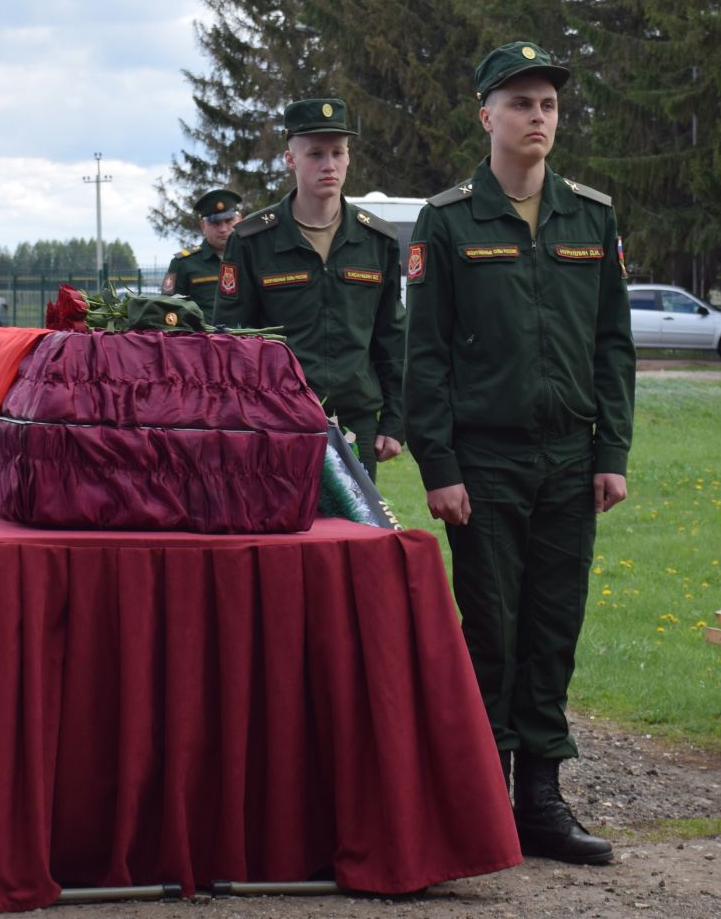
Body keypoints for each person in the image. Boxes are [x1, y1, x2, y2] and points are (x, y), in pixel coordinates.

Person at [404, 42, 635, 866]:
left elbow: (613, 344)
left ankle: (540, 797)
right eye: (522, 104)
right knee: (492, 632)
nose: (539, 118)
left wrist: (612, 450)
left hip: (571, 461)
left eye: (548, 105)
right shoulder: (448, 219)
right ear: (486, 115)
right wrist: (440, 468)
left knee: (553, 627)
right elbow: (422, 355)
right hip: (487, 463)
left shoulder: (590, 217)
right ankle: (479, 797)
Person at [213, 100, 405, 477]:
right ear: (290, 159)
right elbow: (230, 341)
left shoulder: (376, 239)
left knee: (354, 532)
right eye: (315, 153)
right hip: (276, 422)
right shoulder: (253, 240)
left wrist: (395, 420)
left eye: (338, 152)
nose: (328, 164)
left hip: (355, 422)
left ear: (349, 158)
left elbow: (391, 338)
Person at [161, 188, 242, 299]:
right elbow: (167, 306)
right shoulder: (182, 264)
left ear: (239, 220)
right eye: (215, 223)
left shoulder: (254, 257)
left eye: (228, 221)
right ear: (203, 227)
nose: (223, 229)